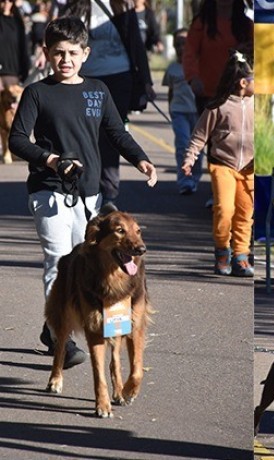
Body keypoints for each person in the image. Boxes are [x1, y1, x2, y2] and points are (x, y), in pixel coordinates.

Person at [9, 17, 157, 368]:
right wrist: (51, 160)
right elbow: (17, 140)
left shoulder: (97, 91)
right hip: (48, 191)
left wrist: (141, 159)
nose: (66, 60)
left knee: (90, 262)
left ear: (85, 54)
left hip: (88, 194)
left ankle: (69, 324)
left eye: (73, 53)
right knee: (60, 260)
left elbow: (116, 132)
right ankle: (58, 333)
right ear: (46, 53)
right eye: (59, 53)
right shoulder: (37, 93)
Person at [61, 0, 154, 208]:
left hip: (119, 77)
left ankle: (109, 194)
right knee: (82, 134)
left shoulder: (122, 4)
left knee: (112, 134)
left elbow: (136, 43)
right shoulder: (75, 6)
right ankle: (82, 186)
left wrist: (146, 80)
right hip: (84, 77)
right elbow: (61, 38)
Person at [181, 50, 253, 277]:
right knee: (224, 209)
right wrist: (190, 159)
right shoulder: (218, 107)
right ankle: (223, 252)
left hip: (249, 169)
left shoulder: (257, 106)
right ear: (243, 83)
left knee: (245, 213)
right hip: (223, 165)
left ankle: (241, 255)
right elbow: (199, 137)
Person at [163, 28, 201, 195]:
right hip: (179, 112)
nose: (181, 48)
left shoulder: (199, 65)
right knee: (183, 145)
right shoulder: (172, 69)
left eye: (184, 44)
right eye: (177, 44)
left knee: (197, 148)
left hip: (197, 112)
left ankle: (195, 178)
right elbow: (170, 91)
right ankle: (185, 181)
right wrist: (170, 110)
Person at [0, 0, 31, 87]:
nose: (6, 3)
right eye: (3, 0)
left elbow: (24, 48)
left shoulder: (17, 22)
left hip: (12, 73)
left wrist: (25, 71)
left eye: (10, 0)